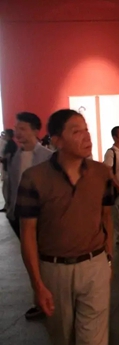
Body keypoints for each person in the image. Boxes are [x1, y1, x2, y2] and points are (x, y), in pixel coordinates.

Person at [16, 109, 114, 345]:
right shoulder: (34, 178)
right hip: (53, 270)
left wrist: (108, 259)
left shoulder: (101, 173)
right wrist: (37, 284)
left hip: (94, 265)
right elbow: (28, 233)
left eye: (86, 129)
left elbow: (106, 217)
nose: (86, 136)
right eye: (76, 131)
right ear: (57, 140)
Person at [6, 112, 53, 321]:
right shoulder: (16, 156)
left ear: (35, 131)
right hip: (19, 216)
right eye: (17, 128)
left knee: (42, 259)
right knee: (31, 258)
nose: (18, 132)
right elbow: (11, 184)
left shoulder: (47, 157)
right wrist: (10, 208)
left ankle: (45, 300)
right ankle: (40, 298)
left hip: (41, 217)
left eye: (23, 128)